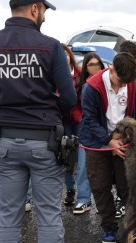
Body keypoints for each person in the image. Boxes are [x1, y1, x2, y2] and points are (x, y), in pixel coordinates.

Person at [0, 0, 77, 241]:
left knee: (8, 216)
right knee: (48, 215)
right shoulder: (50, 46)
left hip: (4, 141)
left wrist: (4, 109)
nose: (45, 18)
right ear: (35, 9)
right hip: (44, 141)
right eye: (44, 12)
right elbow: (69, 97)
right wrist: (47, 110)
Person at [78, 52, 136, 243]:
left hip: (125, 140)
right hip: (97, 143)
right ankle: (109, 228)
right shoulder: (91, 87)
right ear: (112, 69)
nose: (124, 85)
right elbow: (89, 120)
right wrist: (108, 141)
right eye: (121, 81)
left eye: (127, 82)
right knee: (100, 187)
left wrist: (130, 136)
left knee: (128, 186)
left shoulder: (131, 84)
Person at [59, 44, 94, 215]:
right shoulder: (54, 75)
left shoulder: (81, 74)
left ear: (70, 55)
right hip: (63, 121)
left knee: (82, 159)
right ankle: (70, 190)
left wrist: (80, 117)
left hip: (80, 121)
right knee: (66, 158)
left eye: (65, 53)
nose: (63, 56)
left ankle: (84, 198)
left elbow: (84, 101)